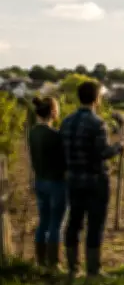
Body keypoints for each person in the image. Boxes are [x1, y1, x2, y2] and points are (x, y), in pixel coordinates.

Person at [60, 81, 124, 279]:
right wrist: (120, 145)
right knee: (95, 224)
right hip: (95, 180)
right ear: (97, 99)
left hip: (73, 178)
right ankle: (93, 269)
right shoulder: (97, 124)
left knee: (74, 222)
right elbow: (103, 152)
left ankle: (73, 268)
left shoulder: (66, 121)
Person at [27, 97, 66, 270]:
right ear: (52, 112)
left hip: (40, 180)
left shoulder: (32, 132)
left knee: (43, 221)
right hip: (56, 182)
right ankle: (54, 262)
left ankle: (40, 260)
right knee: (56, 223)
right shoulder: (55, 136)